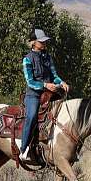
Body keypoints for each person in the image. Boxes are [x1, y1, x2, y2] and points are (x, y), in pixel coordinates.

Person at [20, 29, 69, 161]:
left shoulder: (47, 56)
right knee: (31, 116)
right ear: (34, 42)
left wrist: (61, 82)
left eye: (45, 41)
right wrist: (45, 85)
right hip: (33, 95)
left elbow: (54, 75)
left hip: (49, 93)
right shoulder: (27, 59)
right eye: (42, 41)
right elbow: (30, 81)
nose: (44, 43)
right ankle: (23, 150)